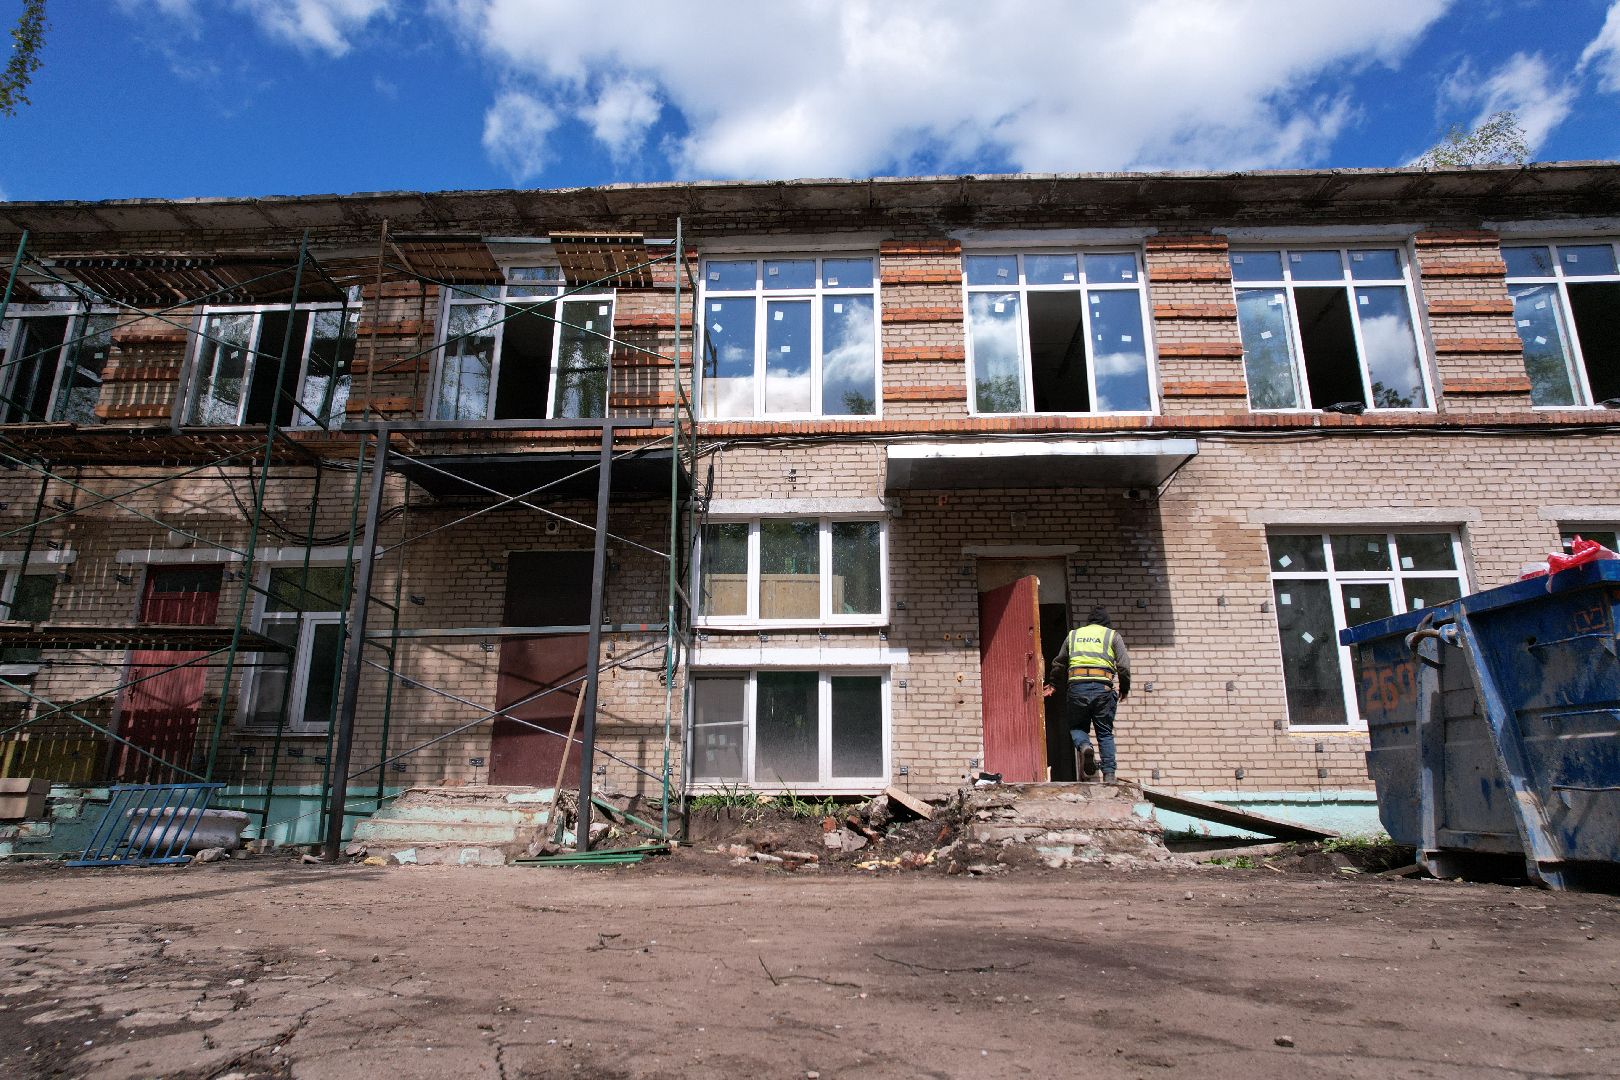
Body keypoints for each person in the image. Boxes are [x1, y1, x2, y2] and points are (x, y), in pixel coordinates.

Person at [1047, 606, 1130, 783]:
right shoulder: (1112, 635)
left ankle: (1085, 746)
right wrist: (1124, 687)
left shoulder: (1073, 635)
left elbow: (1059, 663)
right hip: (1103, 689)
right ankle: (1109, 774)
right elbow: (1123, 665)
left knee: (1077, 727)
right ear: (1106, 622)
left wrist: (1053, 683)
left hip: (1077, 688)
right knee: (1105, 732)